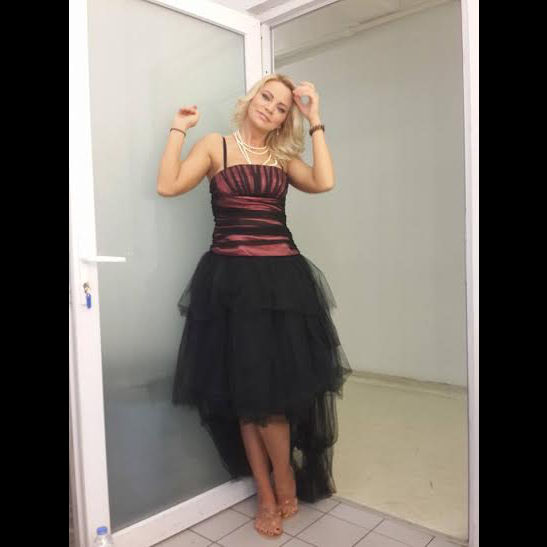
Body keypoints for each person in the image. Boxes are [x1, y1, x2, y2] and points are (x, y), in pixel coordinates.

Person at [157, 73, 352, 538]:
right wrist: (178, 128)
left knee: (271, 396)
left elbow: (323, 181)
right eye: (266, 97)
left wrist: (315, 118)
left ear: (285, 118)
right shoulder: (215, 146)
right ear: (250, 100)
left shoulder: (282, 156)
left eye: (281, 107)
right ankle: (267, 494)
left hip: (283, 284)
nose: (271, 108)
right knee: (246, 394)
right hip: (230, 282)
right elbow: (168, 185)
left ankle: (283, 478)